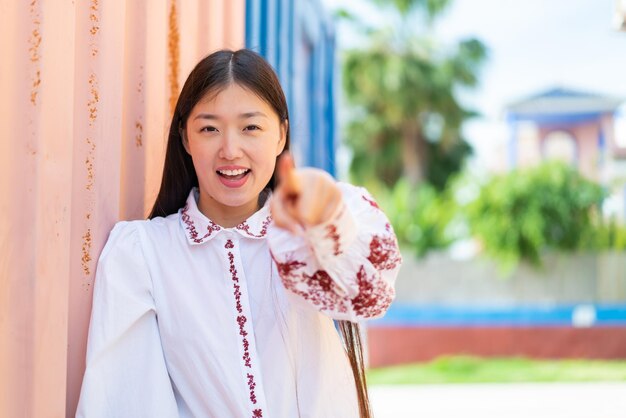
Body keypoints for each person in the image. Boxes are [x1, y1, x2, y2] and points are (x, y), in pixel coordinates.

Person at [76, 49, 402, 418]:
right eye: (209, 129)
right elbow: (126, 399)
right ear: (185, 139)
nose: (230, 151)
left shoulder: (306, 243)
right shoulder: (141, 253)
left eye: (251, 127)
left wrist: (324, 216)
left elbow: (369, 297)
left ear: (281, 135)